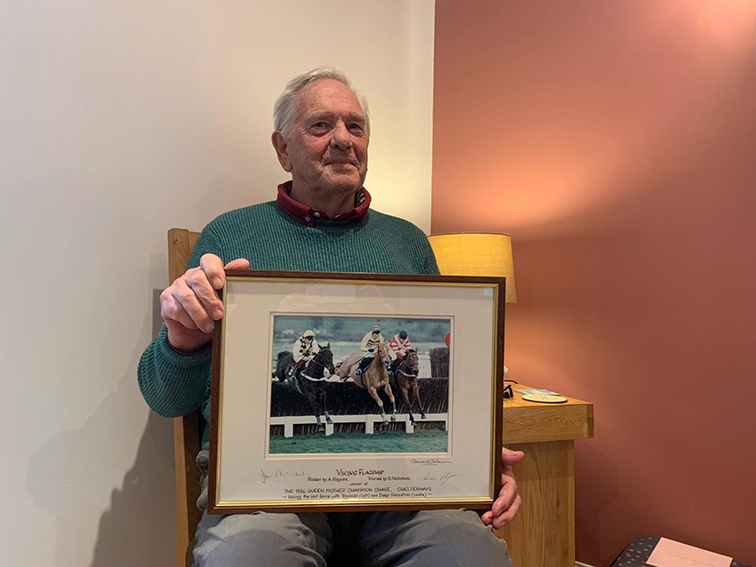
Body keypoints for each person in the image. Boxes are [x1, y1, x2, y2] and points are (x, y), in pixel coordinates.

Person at [138, 67, 523, 567]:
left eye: (355, 126)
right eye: (321, 125)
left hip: (407, 483)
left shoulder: (408, 242)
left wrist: (478, 458)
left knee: (471, 556)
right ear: (282, 148)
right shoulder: (228, 237)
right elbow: (165, 398)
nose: (343, 138)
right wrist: (182, 341)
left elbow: (461, 393)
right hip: (261, 489)